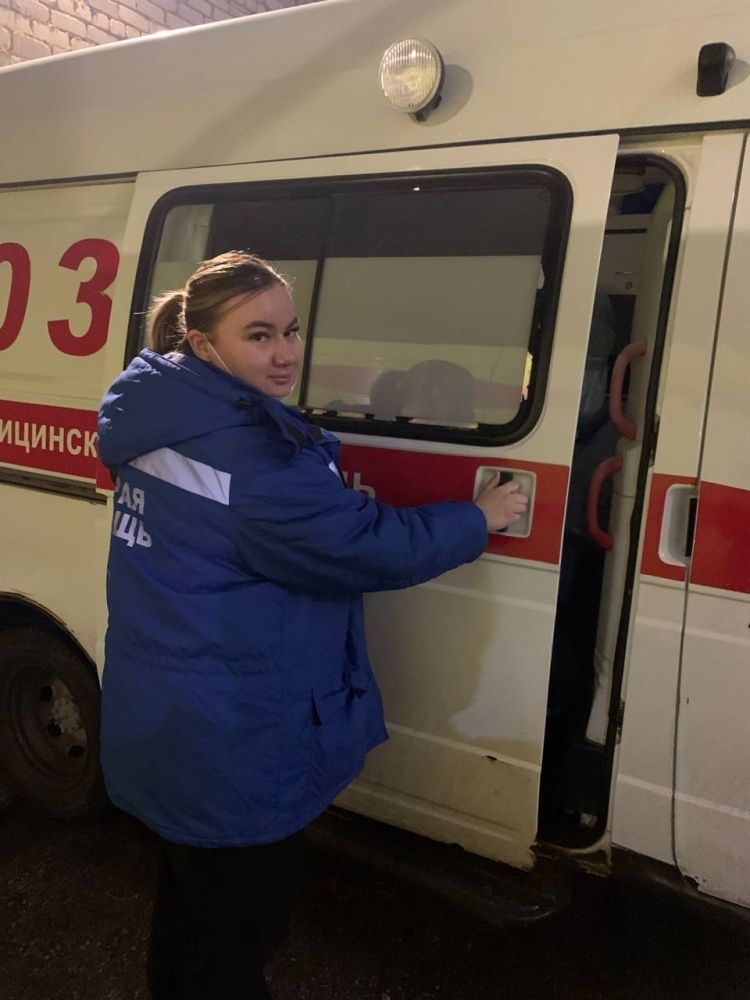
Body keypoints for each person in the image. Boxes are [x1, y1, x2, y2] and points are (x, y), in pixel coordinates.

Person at [97, 251, 527, 1000]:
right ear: (203, 344)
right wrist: (477, 516)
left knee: (189, 905)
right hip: (232, 743)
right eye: (258, 335)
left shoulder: (160, 412)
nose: (286, 353)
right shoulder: (254, 458)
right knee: (236, 938)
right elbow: (371, 546)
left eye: (291, 330)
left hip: (167, 720)